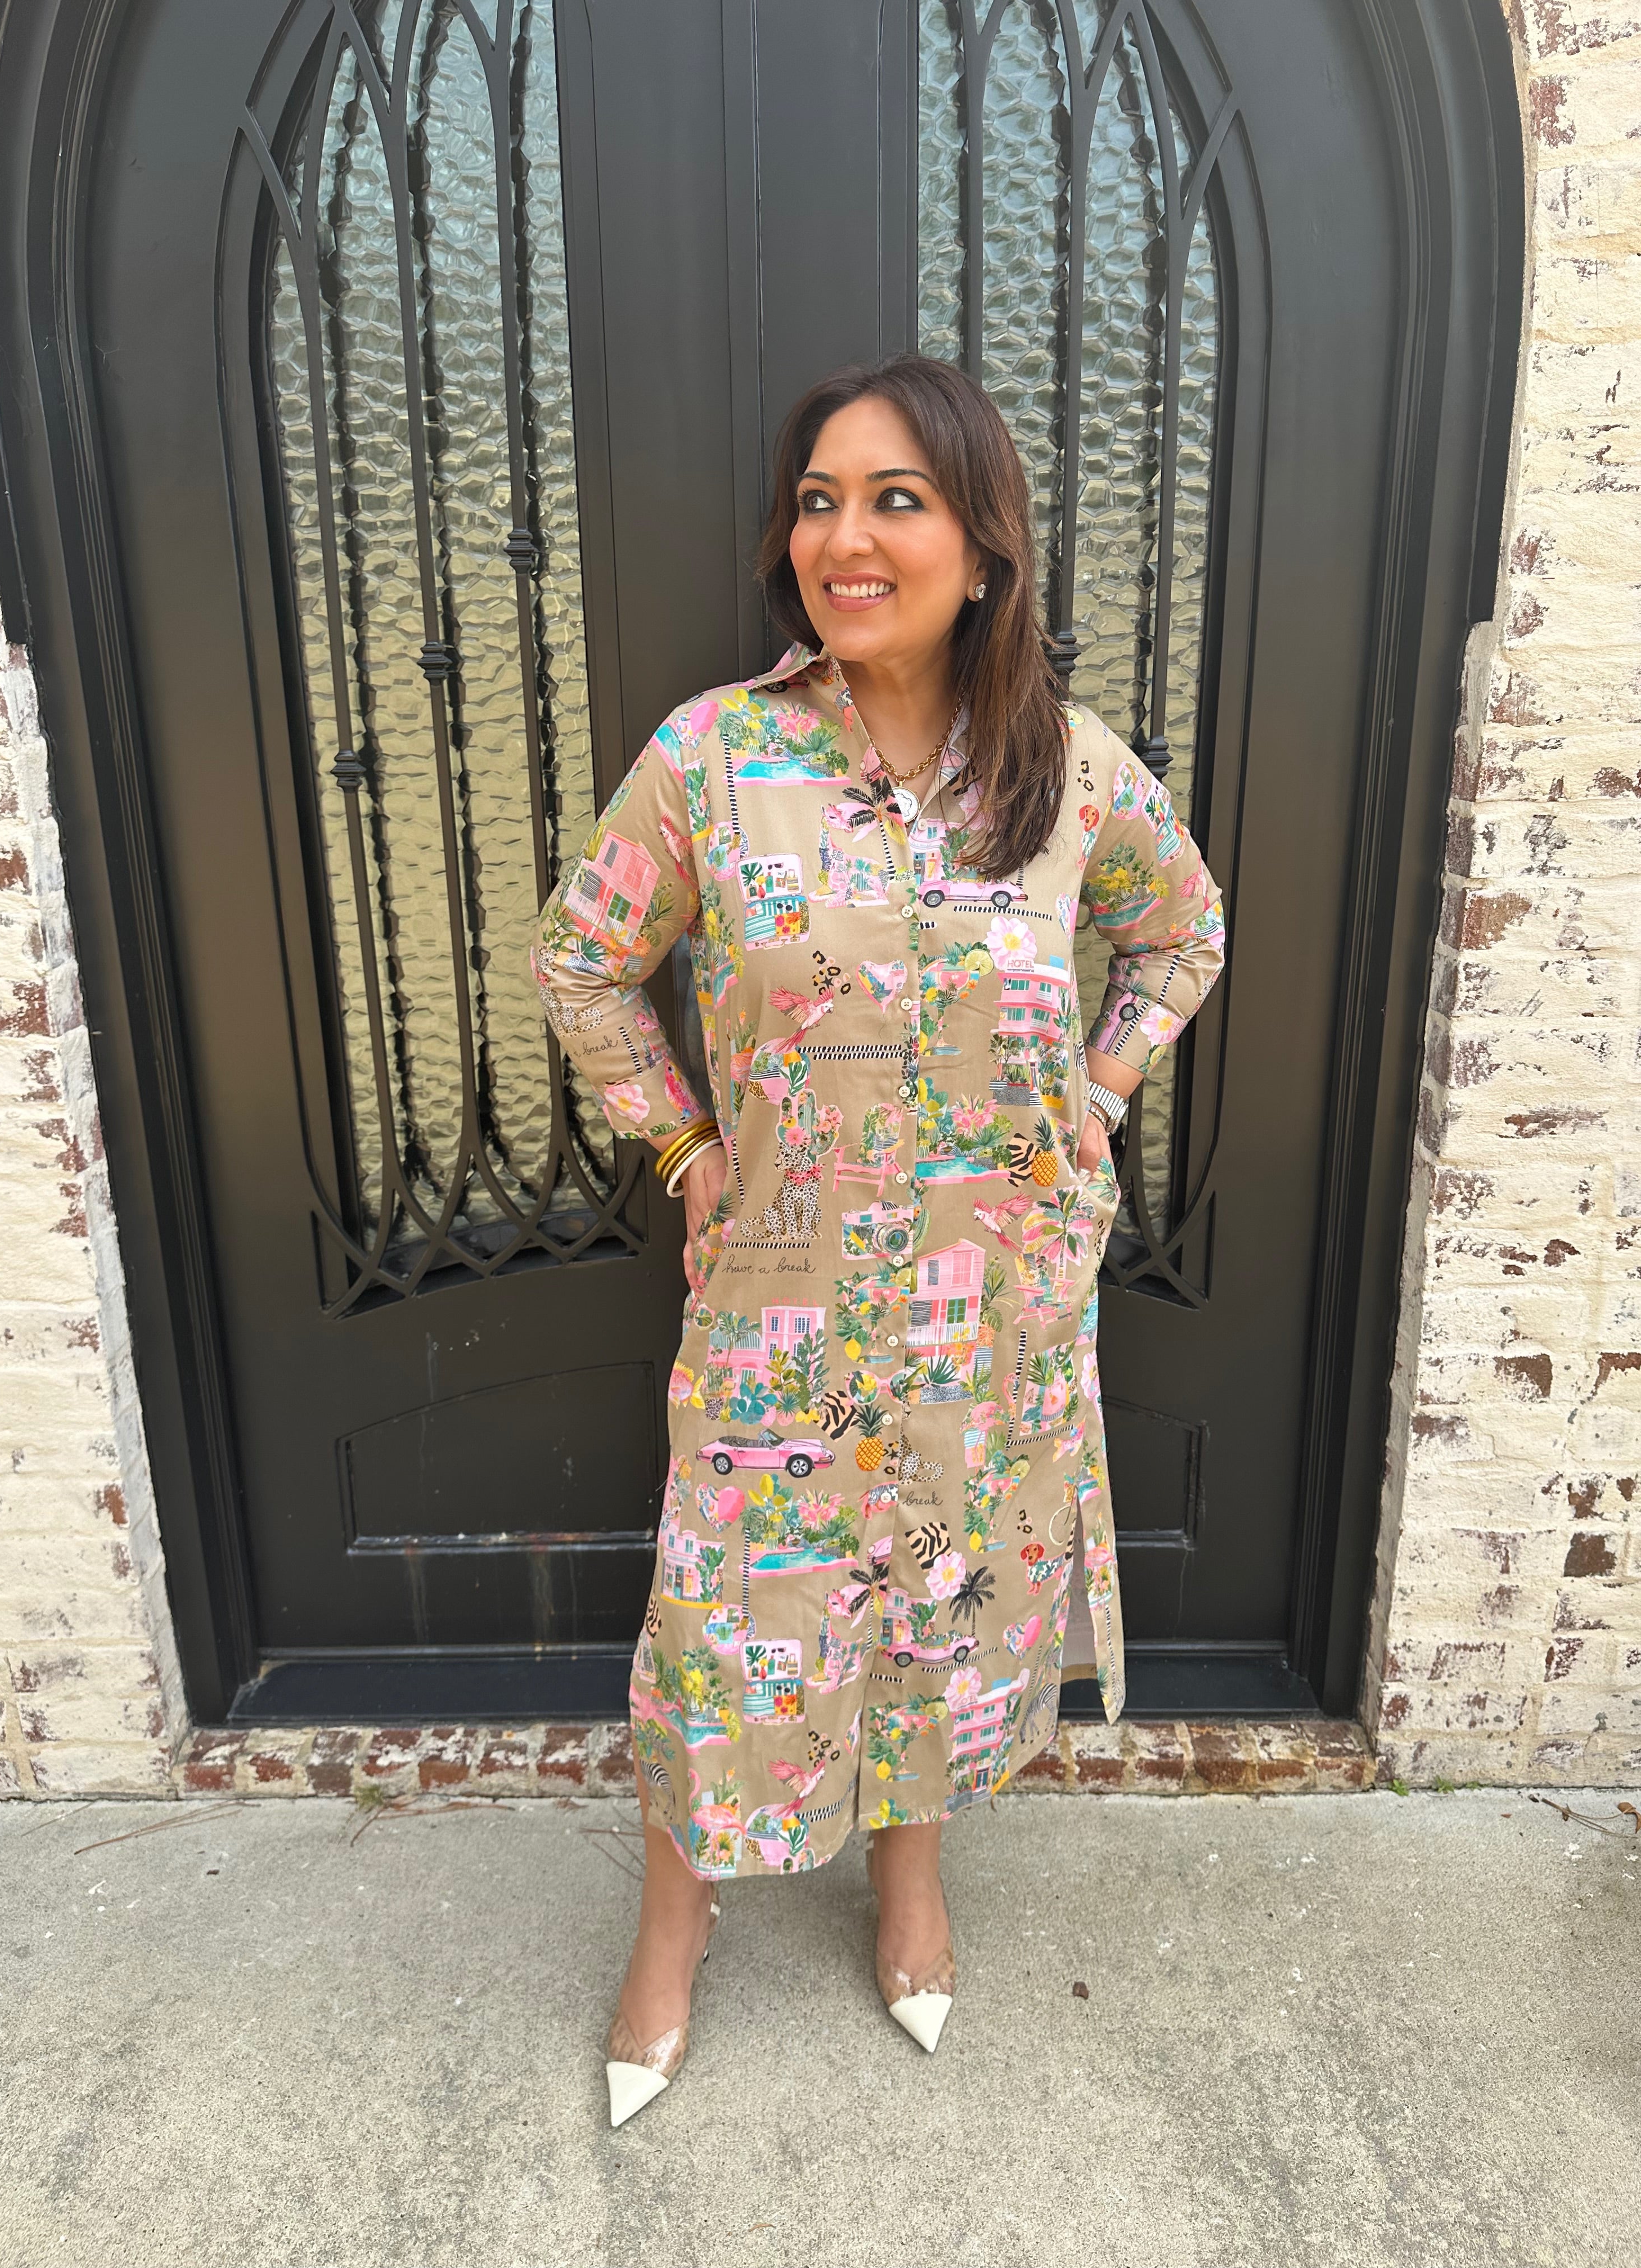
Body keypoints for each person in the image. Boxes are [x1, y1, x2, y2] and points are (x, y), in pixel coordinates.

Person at [532, 354, 1225, 2126]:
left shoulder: (1068, 774)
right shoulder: (715, 758)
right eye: (819, 501)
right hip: (782, 1312)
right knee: (726, 1626)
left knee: (945, 1602)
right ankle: (675, 1925)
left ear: (983, 549)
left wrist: (1102, 1085)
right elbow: (580, 963)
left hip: (995, 1317)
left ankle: (910, 1877)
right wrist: (686, 1146)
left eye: (896, 500)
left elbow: (1184, 930)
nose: (844, 536)